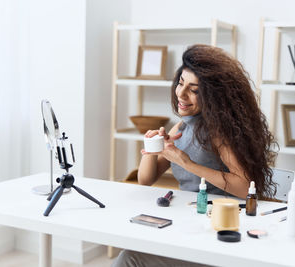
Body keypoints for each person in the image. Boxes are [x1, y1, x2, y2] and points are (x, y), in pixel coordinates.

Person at [112, 44, 277, 267]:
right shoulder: (180, 128)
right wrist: (151, 149)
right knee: (132, 251)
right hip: (190, 219)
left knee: (129, 258)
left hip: (220, 230)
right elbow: (145, 180)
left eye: (194, 89)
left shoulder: (219, 134)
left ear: (212, 96)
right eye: (180, 83)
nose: (181, 93)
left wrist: (186, 163)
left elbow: (244, 186)